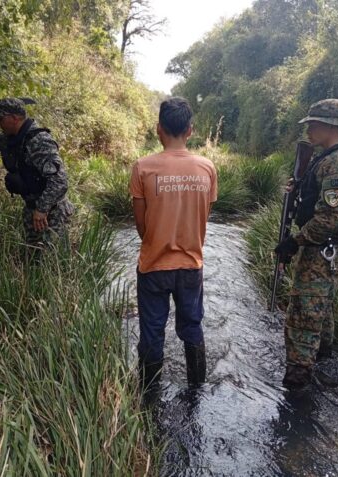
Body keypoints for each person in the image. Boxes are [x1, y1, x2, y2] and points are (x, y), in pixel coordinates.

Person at [274, 99, 338, 389]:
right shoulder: (330, 157)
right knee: (321, 312)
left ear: (330, 126)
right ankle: (322, 365)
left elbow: (331, 218)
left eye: (313, 124)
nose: (309, 130)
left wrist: (294, 242)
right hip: (324, 249)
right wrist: (298, 189)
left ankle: (298, 380)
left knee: (304, 316)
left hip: (322, 251)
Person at [129, 97, 217, 395]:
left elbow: (141, 226)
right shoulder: (207, 168)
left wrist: (158, 240)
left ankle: (149, 397)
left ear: (158, 129)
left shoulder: (142, 167)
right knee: (192, 327)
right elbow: (204, 216)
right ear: (190, 131)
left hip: (153, 265)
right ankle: (197, 392)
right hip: (191, 265)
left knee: (152, 333)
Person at [0, 98, 73, 245]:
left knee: (53, 259)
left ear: (14, 118)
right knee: (34, 258)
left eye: (0, 119)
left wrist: (42, 209)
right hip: (32, 209)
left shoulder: (39, 141)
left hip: (52, 212)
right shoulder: (12, 139)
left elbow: (59, 181)